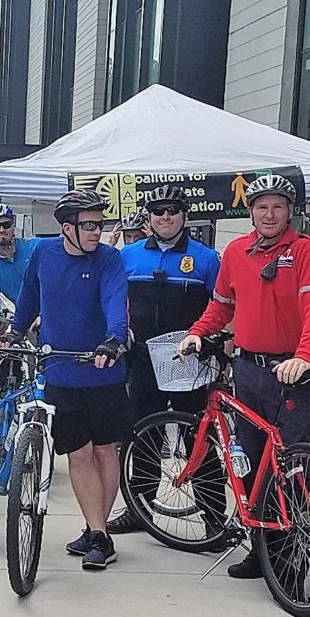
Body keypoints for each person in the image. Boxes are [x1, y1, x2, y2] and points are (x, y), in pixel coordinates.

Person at [181, 174, 310, 580]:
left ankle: (292, 561)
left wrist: (304, 356)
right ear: (251, 211)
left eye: (277, 206)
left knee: (293, 467)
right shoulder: (236, 251)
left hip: (291, 373)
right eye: (261, 206)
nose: (269, 213)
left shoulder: (304, 250)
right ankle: (260, 549)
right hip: (248, 372)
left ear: (289, 211)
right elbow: (221, 306)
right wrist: (198, 332)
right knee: (251, 464)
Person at [10, 189, 131, 570]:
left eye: (101, 224)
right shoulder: (43, 254)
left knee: (104, 450)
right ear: (67, 228)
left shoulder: (109, 259)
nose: (98, 231)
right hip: (60, 368)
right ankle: (99, 532)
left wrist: (114, 339)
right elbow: (30, 297)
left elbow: (115, 300)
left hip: (102, 368)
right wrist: (15, 332)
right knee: (78, 453)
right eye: (90, 225)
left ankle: (98, 530)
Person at [107, 185, 222, 535]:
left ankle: (214, 517)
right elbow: (114, 302)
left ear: (185, 215)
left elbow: (222, 307)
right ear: (149, 218)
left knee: (197, 437)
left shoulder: (205, 258)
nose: (166, 217)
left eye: (173, 210)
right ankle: (139, 511)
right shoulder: (129, 255)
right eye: (158, 212)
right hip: (143, 357)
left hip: (189, 360)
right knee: (142, 434)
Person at [0, 202, 37, 333]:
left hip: (53, 317)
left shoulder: (35, 247)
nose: (2, 230)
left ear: (13, 225)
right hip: (27, 326)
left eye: (6, 225)